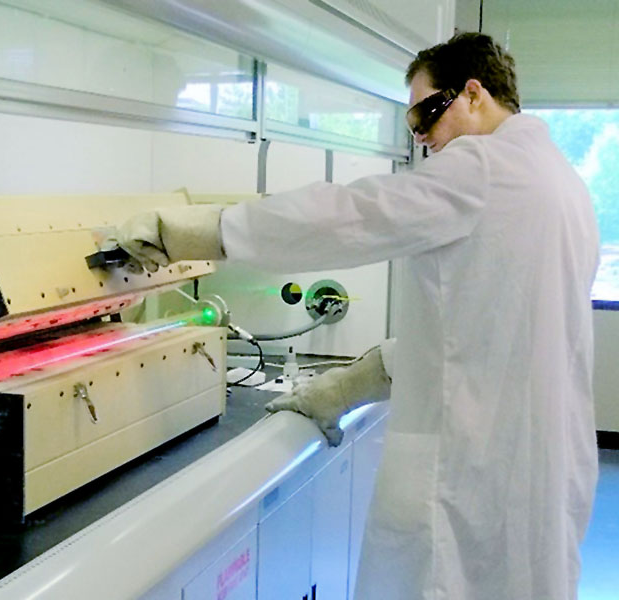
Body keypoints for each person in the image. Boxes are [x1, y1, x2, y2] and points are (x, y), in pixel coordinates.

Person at [115, 33, 599, 600]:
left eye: (427, 115)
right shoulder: (562, 182)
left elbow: (351, 216)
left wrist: (199, 232)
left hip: (471, 482)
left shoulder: (482, 167)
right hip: (537, 476)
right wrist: (355, 383)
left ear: (473, 94)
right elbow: (487, 332)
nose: (423, 140)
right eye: (412, 128)